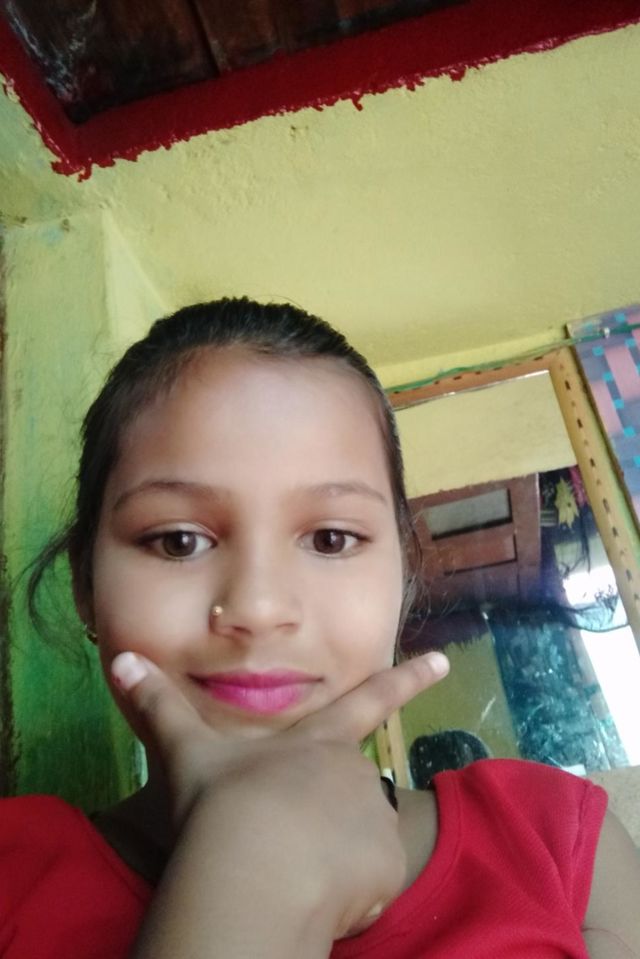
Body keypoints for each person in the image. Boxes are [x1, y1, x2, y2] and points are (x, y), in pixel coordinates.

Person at [4, 298, 640, 958]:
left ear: (403, 574)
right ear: (85, 584)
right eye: (177, 541)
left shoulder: (562, 841)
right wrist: (257, 872)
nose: (257, 607)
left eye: (331, 539)